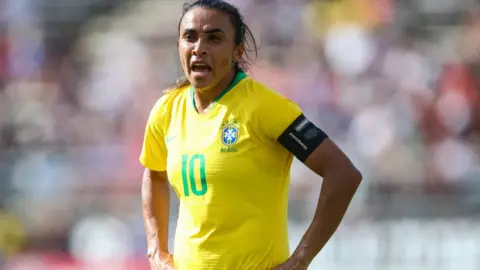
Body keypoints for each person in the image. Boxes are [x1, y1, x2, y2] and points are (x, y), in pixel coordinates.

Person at [140, 0, 362, 269]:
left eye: (214, 38)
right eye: (190, 37)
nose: (199, 48)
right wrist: (156, 250)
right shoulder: (167, 110)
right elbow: (154, 174)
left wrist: (302, 257)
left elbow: (343, 173)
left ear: (237, 51)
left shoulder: (265, 108)